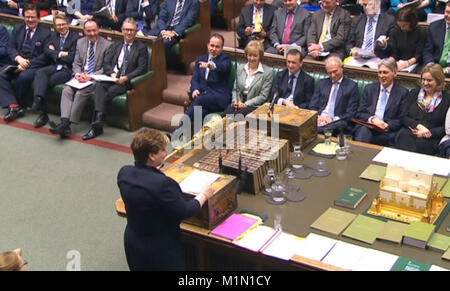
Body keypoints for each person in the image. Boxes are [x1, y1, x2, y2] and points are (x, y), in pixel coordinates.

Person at [118, 128, 215, 270]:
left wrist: (154, 173)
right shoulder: (163, 184)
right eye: (162, 150)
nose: (165, 153)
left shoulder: (124, 173)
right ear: (151, 155)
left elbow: (144, 190)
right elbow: (185, 211)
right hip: (160, 249)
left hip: (133, 242)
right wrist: (204, 195)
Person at [82, 17, 148, 140]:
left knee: (108, 93)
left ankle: (96, 125)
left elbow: (142, 69)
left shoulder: (141, 48)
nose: (129, 33)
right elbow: (106, 63)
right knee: (99, 86)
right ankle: (98, 122)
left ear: (136, 31)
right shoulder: (116, 45)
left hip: (125, 82)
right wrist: (111, 73)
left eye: (131, 30)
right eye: (126, 30)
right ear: (122, 30)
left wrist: (126, 77)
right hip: (112, 78)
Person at [49, 20, 111, 137]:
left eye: (94, 30)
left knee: (81, 92)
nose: (92, 33)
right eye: (88, 31)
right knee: (67, 90)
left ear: (98, 30)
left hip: (95, 78)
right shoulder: (80, 42)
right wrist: (78, 74)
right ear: (84, 31)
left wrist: (90, 76)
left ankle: (68, 124)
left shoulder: (107, 45)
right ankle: (64, 121)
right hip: (80, 77)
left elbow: (106, 68)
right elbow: (76, 62)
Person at [0, 3, 51, 122]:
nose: (30, 20)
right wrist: (18, 59)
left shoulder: (46, 33)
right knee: (1, 74)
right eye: (27, 17)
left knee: (23, 77)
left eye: (33, 17)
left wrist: (27, 64)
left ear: (38, 18)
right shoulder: (19, 28)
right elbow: (10, 48)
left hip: (34, 65)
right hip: (17, 62)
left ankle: (21, 105)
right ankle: (13, 105)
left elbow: (45, 56)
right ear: (24, 17)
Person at [31, 12, 80, 128]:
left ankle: (43, 114)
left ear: (68, 24)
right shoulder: (52, 36)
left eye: (63, 24)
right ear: (55, 26)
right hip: (53, 66)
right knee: (40, 72)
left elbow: (71, 58)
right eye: (59, 25)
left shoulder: (76, 38)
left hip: (66, 70)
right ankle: (38, 99)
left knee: (48, 81)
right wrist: (62, 53)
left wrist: (56, 53)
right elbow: (46, 50)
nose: (61, 27)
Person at [395, 64, 450, 155]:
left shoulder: (447, 99)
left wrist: (429, 132)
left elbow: (445, 127)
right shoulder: (414, 93)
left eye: (429, 80)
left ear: (438, 81)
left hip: (431, 137)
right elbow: (403, 116)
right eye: (423, 79)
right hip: (409, 132)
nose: (425, 83)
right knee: (403, 137)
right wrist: (418, 126)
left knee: (422, 144)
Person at [353, 57, 409, 146]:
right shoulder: (370, 89)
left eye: (385, 72)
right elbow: (360, 113)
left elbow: (401, 119)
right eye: (380, 72)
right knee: (363, 132)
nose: (381, 76)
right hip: (368, 126)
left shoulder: (402, 92)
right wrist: (372, 120)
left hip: (386, 131)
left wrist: (385, 125)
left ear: (395, 73)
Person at [185, 33, 232, 122]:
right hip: (205, 96)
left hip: (219, 97)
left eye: (217, 47)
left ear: (221, 48)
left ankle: (177, 129)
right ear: (207, 45)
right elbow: (195, 78)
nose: (213, 49)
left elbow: (223, 68)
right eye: (212, 45)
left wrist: (211, 66)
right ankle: (193, 135)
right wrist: (195, 89)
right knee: (201, 112)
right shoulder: (200, 59)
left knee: (198, 101)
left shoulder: (225, 59)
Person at [309, 55, 359, 134]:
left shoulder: (352, 86)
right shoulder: (322, 83)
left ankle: (317, 130)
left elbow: (351, 113)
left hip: (337, 122)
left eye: (335, 71)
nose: (333, 75)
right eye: (329, 73)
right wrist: (319, 118)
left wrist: (332, 119)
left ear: (342, 68)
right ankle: (318, 129)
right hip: (319, 119)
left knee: (341, 124)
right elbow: (313, 105)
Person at [223, 40, 273, 116]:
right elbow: (235, 89)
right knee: (225, 115)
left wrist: (245, 104)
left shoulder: (267, 72)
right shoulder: (240, 68)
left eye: (255, 55)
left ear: (260, 56)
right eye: (249, 55)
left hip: (254, 105)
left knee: (237, 116)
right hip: (239, 102)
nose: (252, 58)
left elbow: (263, 96)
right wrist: (236, 101)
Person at [345, 0, 394, 67]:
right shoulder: (357, 20)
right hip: (358, 58)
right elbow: (349, 43)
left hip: (378, 58)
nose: (367, 7)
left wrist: (385, 46)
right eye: (365, 5)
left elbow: (394, 46)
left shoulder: (389, 21)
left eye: (371, 4)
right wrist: (352, 51)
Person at [390, 7, 427, 73]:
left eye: (404, 25)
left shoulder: (421, 32)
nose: (401, 28)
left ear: (411, 22)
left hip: (416, 63)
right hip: (399, 63)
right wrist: (390, 61)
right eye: (400, 25)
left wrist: (407, 63)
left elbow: (419, 54)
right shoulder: (395, 31)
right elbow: (395, 53)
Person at [423, 2, 450, 76]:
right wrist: (432, 66)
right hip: (435, 66)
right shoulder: (434, 27)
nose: (449, 16)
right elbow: (427, 51)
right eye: (447, 12)